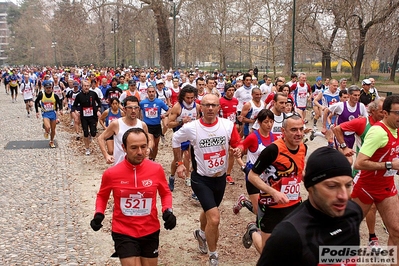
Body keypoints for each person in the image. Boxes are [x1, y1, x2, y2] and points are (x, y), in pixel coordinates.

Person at [258, 147, 362, 265]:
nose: (344, 196)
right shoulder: (288, 236)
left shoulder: (353, 212)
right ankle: (253, 232)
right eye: (332, 186)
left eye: (348, 185)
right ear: (310, 187)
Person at [172, 94, 241, 266]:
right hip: (200, 179)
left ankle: (201, 234)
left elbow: (238, 143)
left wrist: (239, 149)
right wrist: (180, 163)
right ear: (200, 107)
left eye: (214, 105)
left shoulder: (227, 125)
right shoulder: (191, 128)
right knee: (215, 219)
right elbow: (175, 139)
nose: (210, 108)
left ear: (219, 108)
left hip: (220, 178)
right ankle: (213, 255)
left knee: (210, 211)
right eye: (207, 105)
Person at [90, 128, 176, 266]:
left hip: (150, 229)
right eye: (134, 148)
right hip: (123, 230)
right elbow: (102, 196)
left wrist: (168, 211)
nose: (140, 152)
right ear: (124, 148)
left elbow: (165, 192)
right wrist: (98, 214)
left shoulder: (156, 169)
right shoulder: (112, 173)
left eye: (143, 146)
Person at [243, 113, 307, 254]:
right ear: (283, 132)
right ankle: (253, 231)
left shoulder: (303, 147)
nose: (299, 133)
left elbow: (299, 170)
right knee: (268, 252)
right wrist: (274, 192)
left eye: (301, 129)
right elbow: (253, 176)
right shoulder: (273, 150)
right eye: (294, 130)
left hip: (294, 203)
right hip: (271, 205)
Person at [352, 95, 399, 263]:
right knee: (346, 230)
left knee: (396, 230)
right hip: (365, 188)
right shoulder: (378, 132)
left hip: (386, 187)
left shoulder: (397, 129)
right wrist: (389, 165)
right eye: (397, 113)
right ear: (385, 113)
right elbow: (359, 163)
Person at [333, 97, 385, 247]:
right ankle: (371, 237)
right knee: (367, 205)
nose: (385, 114)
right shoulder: (363, 123)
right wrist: (344, 147)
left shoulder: (389, 124)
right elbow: (337, 129)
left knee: (371, 204)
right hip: (364, 171)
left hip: (382, 172)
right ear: (373, 110)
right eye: (382, 111)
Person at [233, 109, 275, 216]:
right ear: (259, 123)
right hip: (252, 175)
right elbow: (242, 145)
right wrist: (242, 164)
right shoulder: (253, 137)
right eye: (266, 122)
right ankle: (244, 202)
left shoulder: (273, 137)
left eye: (271, 121)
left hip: (267, 176)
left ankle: (244, 201)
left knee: (268, 208)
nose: (269, 124)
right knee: (258, 211)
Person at [98, 96, 153, 165]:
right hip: (120, 165)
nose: (133, 111)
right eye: (130, 108)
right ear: (124, 109)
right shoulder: (116, 124)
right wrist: (106, 155)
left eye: (135, 108)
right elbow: (101, 138)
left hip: (138, 166)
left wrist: (148, 148)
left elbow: (149, 140)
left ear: (139, 109)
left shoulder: (142, 125)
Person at [167, 85, 200, 192]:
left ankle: (188, 177)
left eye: (192, 98)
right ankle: (172, 177)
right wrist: (181, 122)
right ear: (182, 97)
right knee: (177, 159)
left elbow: (199, 119)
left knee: (190, 158)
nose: (190, 100)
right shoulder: (177, 107)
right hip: (180, 136)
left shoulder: (197, 106)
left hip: (192, 136)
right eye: (187, 98)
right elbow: (168, 124)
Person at [139, 85, 169, 161]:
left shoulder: (159, 102)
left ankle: (153, 159)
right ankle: (148, 159)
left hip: (157, 126)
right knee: (151, 144)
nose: (151, 93)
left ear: (155, 92)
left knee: (155, 146)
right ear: (147, 92)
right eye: (150, 92)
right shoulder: (143, 103)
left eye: (153, 92)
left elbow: (169, 110)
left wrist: (164, 115)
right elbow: (138, 110)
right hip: (147, 126)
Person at [73, 80, 102, 155]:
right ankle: (87, 148)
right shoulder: (79, 96)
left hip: (92, 116)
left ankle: (91, 135)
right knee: (85, 133)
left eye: (87, 86)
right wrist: (76, 111)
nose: (86, 87)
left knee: (93, 133)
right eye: (85, 86)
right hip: (84, 117)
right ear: (82, 87)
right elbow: (74, 105)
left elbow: (99, 102)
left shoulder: (93, 94)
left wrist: (98, 109)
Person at [219, 83, 239, 185]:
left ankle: (228, 174)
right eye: (229, 90)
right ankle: (219, 172)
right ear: (225, 91)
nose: (231, 92)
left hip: (232, 129)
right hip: (222, 129)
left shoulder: (236, 101)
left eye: (232, 90)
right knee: (221, 152)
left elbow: (236, 115)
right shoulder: (220, 101)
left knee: (232, 152)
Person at [34, 80, 63, 148]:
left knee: (53, 129)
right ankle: (45, 127)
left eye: (49, 88)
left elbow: (59, 103)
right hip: (45, 113)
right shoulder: (41, 95)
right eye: (47, 88)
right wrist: (37, 112)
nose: (48, 89)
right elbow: (36, 102)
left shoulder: (55, 96)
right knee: (48, 127)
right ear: (44, 88)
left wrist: (61, 109)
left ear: (52, 88)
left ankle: (51, 141)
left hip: (53, 113)